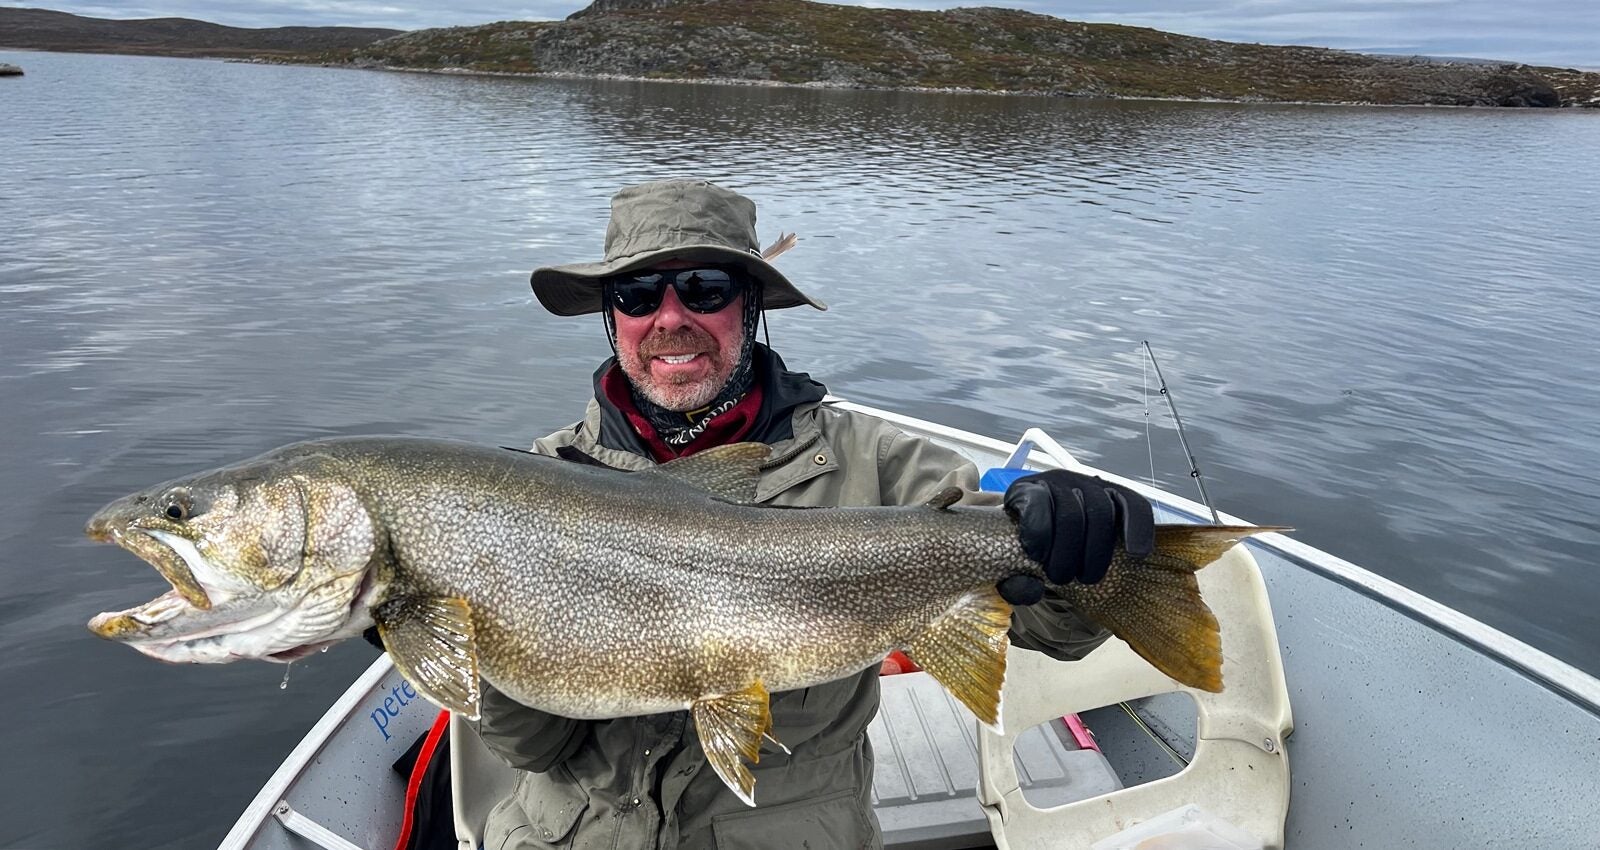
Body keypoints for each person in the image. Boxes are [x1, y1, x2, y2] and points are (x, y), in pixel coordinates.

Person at [477, 178, 1154, 850]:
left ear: (749, 307)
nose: (671, 318)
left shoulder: (877, 465)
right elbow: (533, 747)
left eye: (706, 289)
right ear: (612, 315)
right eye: (638, 294)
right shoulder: (539, 484)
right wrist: (464, 639)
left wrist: (1082, 552)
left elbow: (1052, 629)